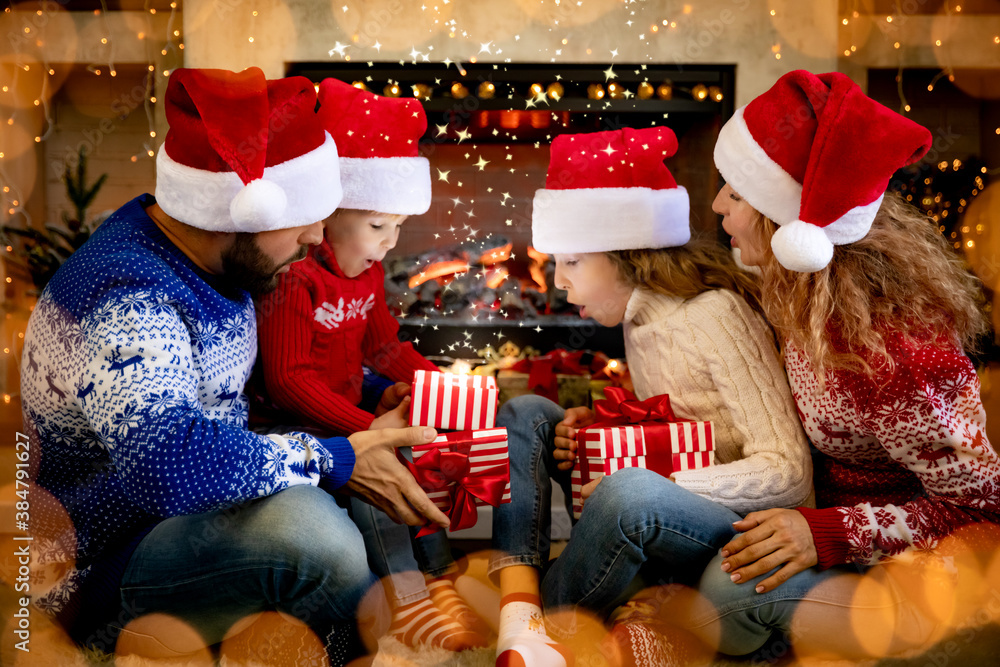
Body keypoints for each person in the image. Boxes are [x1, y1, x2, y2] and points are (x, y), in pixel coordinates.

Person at [20, 67, 448, 666]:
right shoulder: (129, 298)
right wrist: (333, 458)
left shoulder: (219, 257)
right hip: (105, 558)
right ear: (245, 208)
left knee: (335, 490)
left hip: (189, 513)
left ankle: (339, 637)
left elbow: (247, 393)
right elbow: (169, 463)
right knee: (315, 540)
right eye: (306, 216)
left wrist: (372, 396)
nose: (317, 237)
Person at [688, 69, 1000, 660]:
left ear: (788, 220)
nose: (717, 204)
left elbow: (981, 512)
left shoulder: (900, 356)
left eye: (736, 190)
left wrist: (829, 534)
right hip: (810, 516)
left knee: (720, 597)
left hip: (913, 569)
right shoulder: (798, 298)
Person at [490, 125, 813, 667]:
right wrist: (597, 427)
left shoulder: (714, 316)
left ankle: (547, 620)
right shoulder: (639, 323)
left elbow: (789, 472)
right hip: (662, 500)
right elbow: (675, 420)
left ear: (624, 255)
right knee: (527, 411)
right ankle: (520, 606)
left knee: (630, 492)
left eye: (571, 262)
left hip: (729, 521)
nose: (558, 284)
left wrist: (655, 477)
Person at [254, 77, 488, 652]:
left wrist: (433, 385)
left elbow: (381, 349)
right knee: (375, 478)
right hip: (294, 430)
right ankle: (406, 597)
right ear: (328, 215)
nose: (389, 243)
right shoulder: (297, 279)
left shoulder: (370, 274)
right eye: (377, 226)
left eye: (399, 228)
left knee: (418, 449)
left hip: (349, 414)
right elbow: (287, 379)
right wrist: (363, 431)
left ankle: (438, 575)